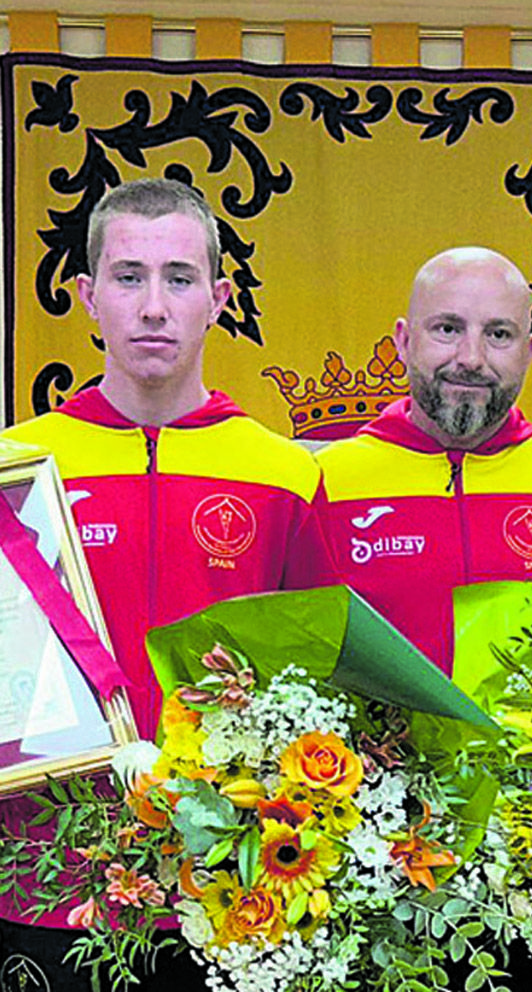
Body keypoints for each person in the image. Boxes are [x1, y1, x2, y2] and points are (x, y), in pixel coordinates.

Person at [0, 178, 334, 991]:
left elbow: (324, 678)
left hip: (234, 886)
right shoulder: (18, 471)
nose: (154, 306)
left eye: (179, 279)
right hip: (51, 885)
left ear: (217, 299)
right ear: (86, 297)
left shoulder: (283, 473)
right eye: (128, 276)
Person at [316, 246, 532, 678]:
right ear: (403, 340)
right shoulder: (325, 481)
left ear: (529, 351)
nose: (471, 358)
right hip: (369, 746)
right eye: (447, 329)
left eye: (498, 335)